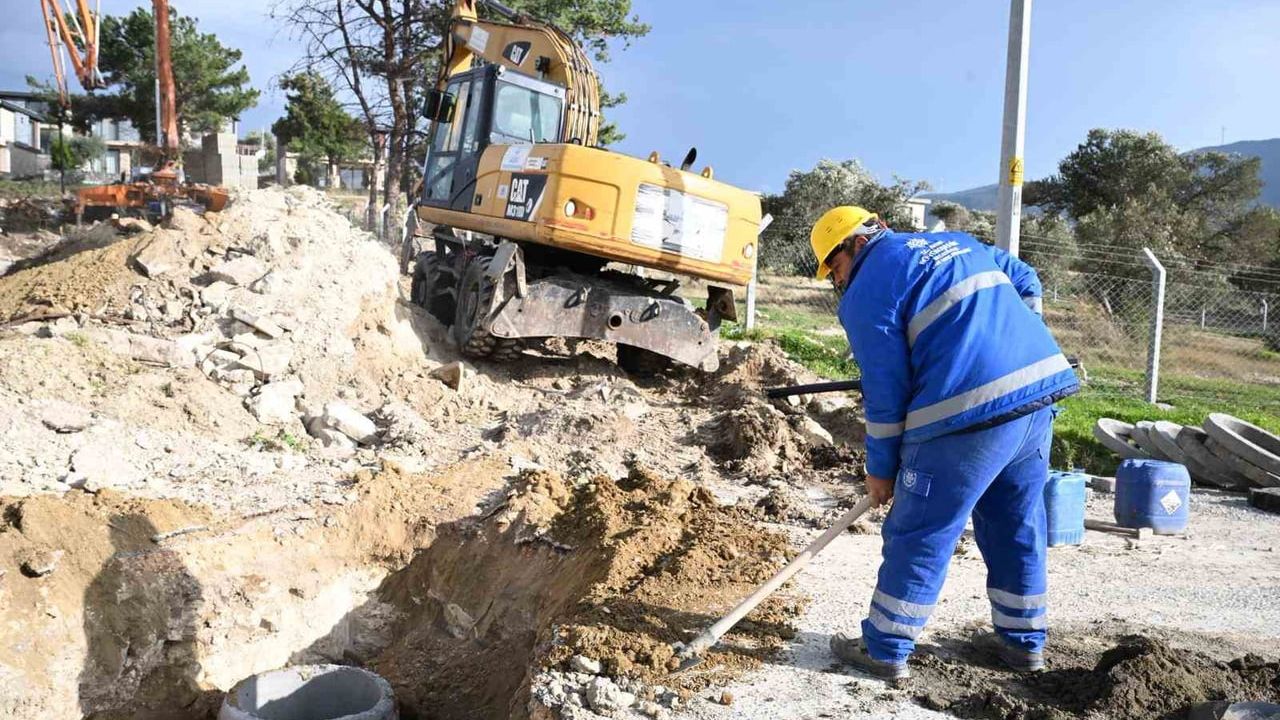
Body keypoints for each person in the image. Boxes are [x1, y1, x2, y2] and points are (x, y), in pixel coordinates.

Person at [809, 206, 1079, 682]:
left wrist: (881, 470)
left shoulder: (866, 291)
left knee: (920, 528)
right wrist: (1021, 334)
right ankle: (1022, 642)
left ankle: (885, 647)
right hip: (1036, 398)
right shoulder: (957, 242)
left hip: (966, 413)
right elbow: (1024, 275)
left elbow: (886, 392)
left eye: (834, 266)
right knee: (1015, 521)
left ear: (854, 244)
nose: (837, 279)